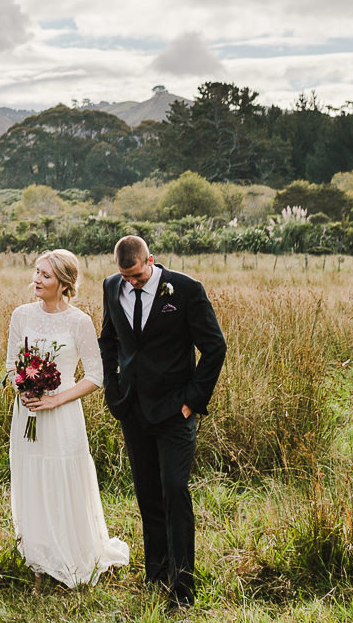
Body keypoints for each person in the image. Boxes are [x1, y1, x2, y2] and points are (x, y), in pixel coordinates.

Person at [98, 235, 227, 609]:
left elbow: (214, 346)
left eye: (137, 276)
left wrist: (191, 401)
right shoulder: (112, 286)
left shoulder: (186, 290)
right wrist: (114, 391)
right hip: (133, 410)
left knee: (174, 492)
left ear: (150, 261)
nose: (132, 283)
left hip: (174, 411)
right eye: (126, 278)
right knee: (147, 494)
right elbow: (109, 341)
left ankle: (182, 586)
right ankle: (155, 575)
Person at [7, 249, 130, 587]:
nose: (36, 280)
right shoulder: (21, 315)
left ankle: (69, 552)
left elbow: (95, 375)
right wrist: (22, 389)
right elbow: (8, 366)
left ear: (63, 283)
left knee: (61, 477)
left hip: (62, 418)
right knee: (31, 476)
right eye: (36, 272)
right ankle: (37, 554)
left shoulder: (79, 322)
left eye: (45, 276)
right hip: (27, 413)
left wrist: (56, 399)